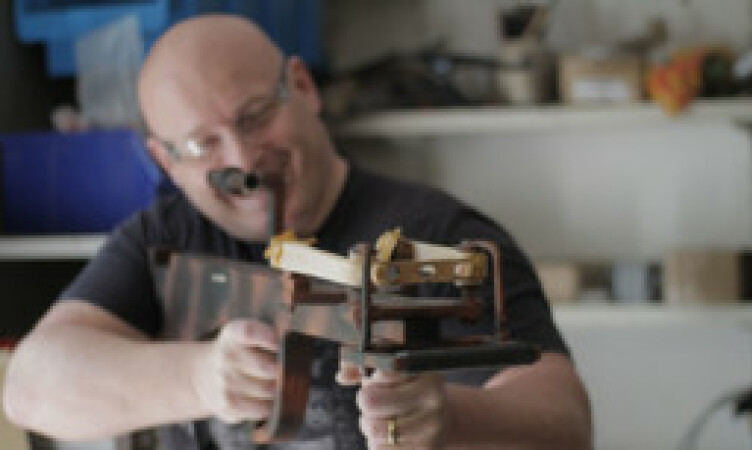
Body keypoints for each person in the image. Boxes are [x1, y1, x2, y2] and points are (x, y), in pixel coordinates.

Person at [3, 14, 591, 450]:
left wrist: (453, 420)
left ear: (303, 87)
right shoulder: (164, 237)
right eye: (203, 145)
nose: (244, 159)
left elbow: (565, 423)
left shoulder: (436, 235)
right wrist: (201, 378)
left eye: (255, 116)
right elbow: (30, 388)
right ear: (165, 162)